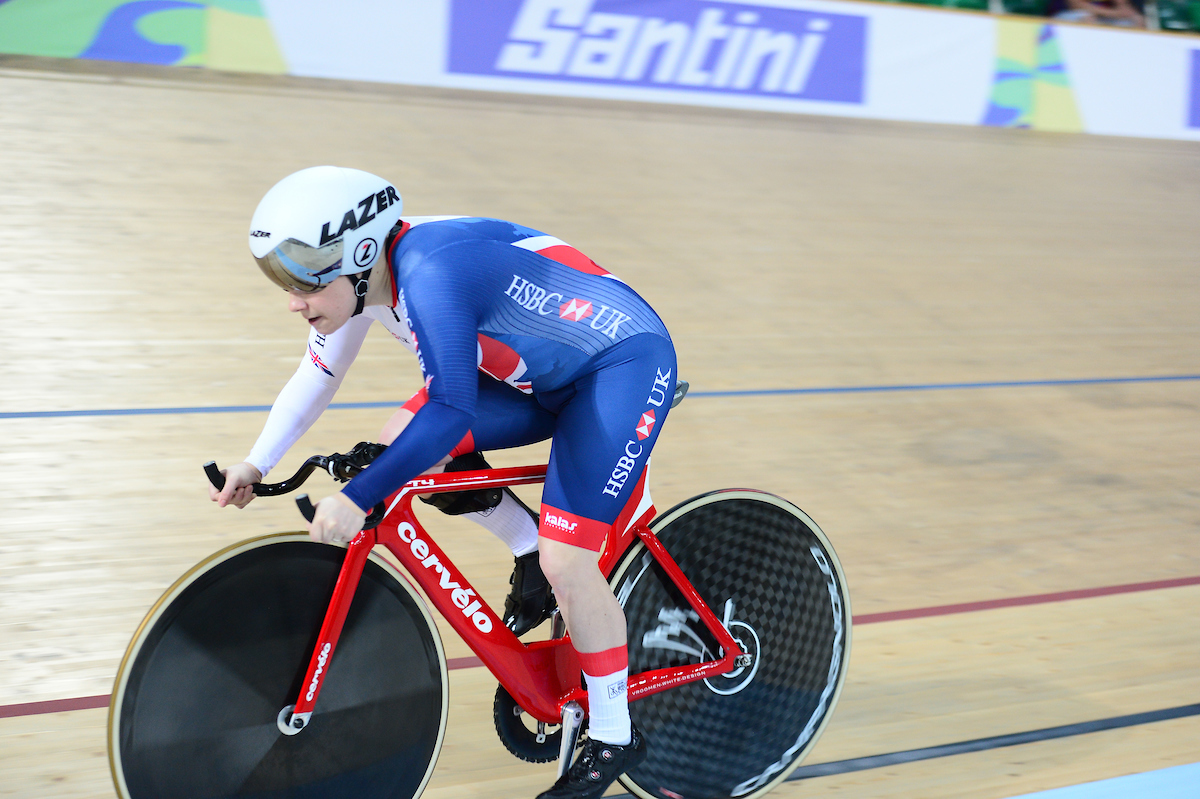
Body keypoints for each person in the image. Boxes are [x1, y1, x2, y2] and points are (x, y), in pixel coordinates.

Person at [210, 165, 677, 799]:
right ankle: (525, 546)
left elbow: (453, 408)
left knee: (571, 560)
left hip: (620, 364)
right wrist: (256, 464)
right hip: (537, 376)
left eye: (303, 284)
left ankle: (615, 735)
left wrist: (358, 495)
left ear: (359, 256)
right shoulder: (365, 282)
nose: (294, 301)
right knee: (406, 441)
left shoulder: (431, 274)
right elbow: (319, 376)